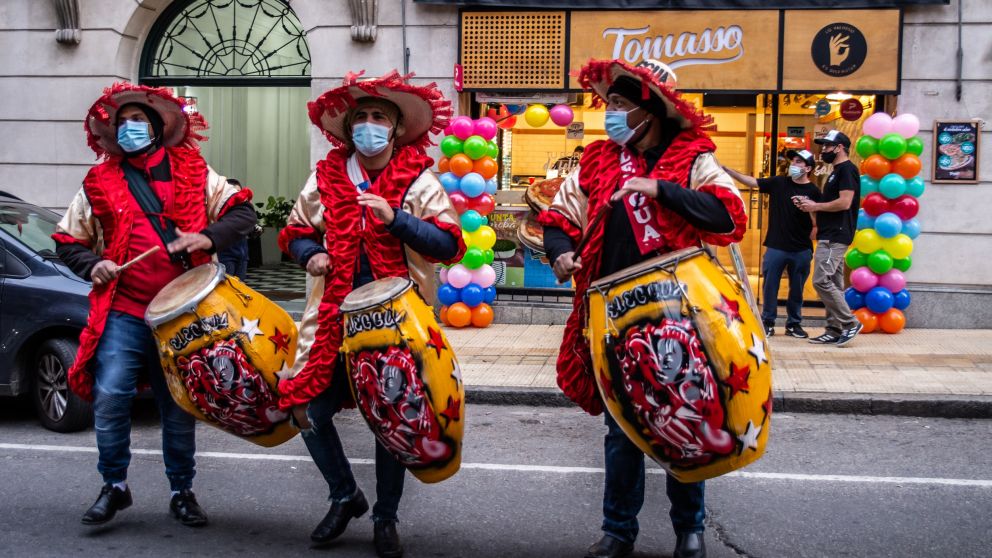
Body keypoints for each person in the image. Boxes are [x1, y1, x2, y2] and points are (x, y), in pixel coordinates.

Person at [539, 59, 746, 558]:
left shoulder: (694, 158)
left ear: (648, 113)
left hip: (679, 316)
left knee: (687, 417)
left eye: (619, 106)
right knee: (622, 429)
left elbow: (726, 215)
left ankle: (689, 529)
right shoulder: (595, 161)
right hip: (612, 313)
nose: (609, 114)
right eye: (609, 105)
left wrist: (662, 189)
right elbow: (558, 217)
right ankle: (617, 530)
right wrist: (561, 251)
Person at [277, 70, 465, 558]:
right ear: (347, 129)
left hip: (397, 326)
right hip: (331, 322)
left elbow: (447, 244)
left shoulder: (419, 180)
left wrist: (396, 218)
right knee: (308, 411)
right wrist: (308, 254)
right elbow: (295, 231)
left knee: (391, 420)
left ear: (397, 129)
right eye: (360, 117)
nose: (368, 125)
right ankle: (345, 496)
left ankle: (386, 517)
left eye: (379, 117)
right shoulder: (324, 179)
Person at [53, 83, 257, 527]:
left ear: (159, 126)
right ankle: (115, 487)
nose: (129, 128)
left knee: (178, 406)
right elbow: (67, 240)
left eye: (138, 120)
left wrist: (207, 236)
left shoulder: (195, 171)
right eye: (122, 121)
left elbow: (243, 215)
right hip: (124, 311)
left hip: (182, 314)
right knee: (110, 397)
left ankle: (182, 491)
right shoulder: (98, 181)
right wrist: (94, 264)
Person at [724, 149, 820, 338]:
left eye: (799, 162)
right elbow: (752, 182)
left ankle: (794, 324)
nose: (794, 164)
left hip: (801, 248)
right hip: (776, 245)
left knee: (797, 289)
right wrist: (729, 171)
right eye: (793, 161)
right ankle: (768, 322)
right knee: (770, 286)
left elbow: (818, 220)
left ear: (808, 168)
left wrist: (811, 210)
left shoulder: (814, 191)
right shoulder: (779, 182)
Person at [796, 130, 863, 346]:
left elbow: (844, 203)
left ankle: (850, 323)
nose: (823, 150)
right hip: (829, 234)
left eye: (827, 146)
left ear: (839, 148)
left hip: (836, 236)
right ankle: (834, 329)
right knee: (833, 281)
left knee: (821, 280)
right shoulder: (836, 171)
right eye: (822, 146)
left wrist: (815, 205)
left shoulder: (847, 170)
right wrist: (810, 205)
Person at [216, 178, 250, 280]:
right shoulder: (219, 211)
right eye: (233, 194)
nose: (238, 197)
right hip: (226, 256)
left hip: (242, 256)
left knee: (240, 288)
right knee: (228, 287)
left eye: (240, 193)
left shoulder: (244, 210)